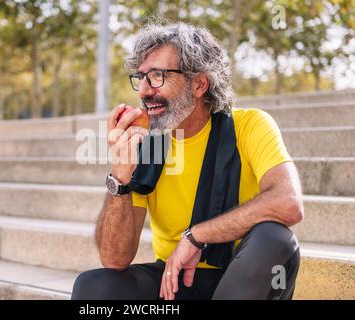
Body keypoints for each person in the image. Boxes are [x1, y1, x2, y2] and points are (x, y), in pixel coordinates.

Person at [72, 22, 303, 300]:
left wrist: (196, 235)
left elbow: (288, 202)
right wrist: (120, 177)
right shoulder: (148, 145)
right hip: (173, 284)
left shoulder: (250, 125)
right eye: (141, 77)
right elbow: (114, 259)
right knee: (95, 287)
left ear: (199, 84)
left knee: (274, 239)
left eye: (157, 76)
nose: (144, 90)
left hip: (243, 279)